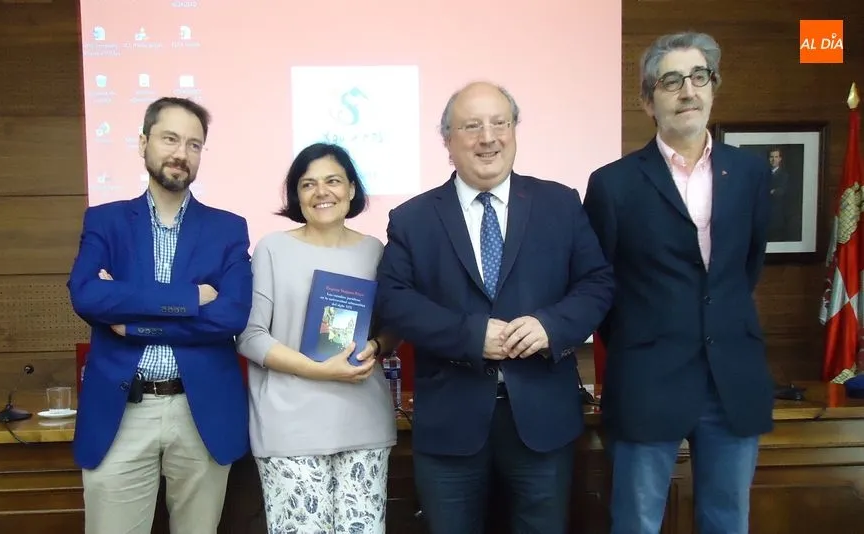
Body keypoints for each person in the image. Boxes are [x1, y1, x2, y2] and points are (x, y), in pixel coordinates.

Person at [375, 81, 615, 534]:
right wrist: (469, 336)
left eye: (499, 123)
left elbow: (598, 282)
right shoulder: (413, 219)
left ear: (514, 130)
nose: (488, 137)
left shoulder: (560, 204)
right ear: (447, 140)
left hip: (543, 420)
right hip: (451, 423)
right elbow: (394, 300)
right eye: (471, 126)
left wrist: (552, 326)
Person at [582, 32, 773, 534]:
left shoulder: (750, 174)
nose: (687, 91)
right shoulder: (613, 184)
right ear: (648, 100)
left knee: (727, 519)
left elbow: (745, 267)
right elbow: (599, 283)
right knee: (637, 522)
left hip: (731, 376)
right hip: (648, 377)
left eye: (698, 77)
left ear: (713, 87)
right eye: (670, 81)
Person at [67, 96, 253, 534]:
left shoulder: (228, 228)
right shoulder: (105, 221)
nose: (181, 153)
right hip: (122, 409)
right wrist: (188, 299)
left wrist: (134, 322)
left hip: (200, 408)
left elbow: (231, 315)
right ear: (143, 142)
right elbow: (86, 294)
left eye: (194, 144)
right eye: (170, 138)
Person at [235, 142, 398, 533]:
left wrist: (377, 346)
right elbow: (251, 336)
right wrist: (318, 370)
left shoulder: (375, 251)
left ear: (352, 189)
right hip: (290, 427)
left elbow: (393, 328)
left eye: (333, 181)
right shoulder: (272, 248)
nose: (321, 192)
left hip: (363, 422)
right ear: (296, 195)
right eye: (308, 184)